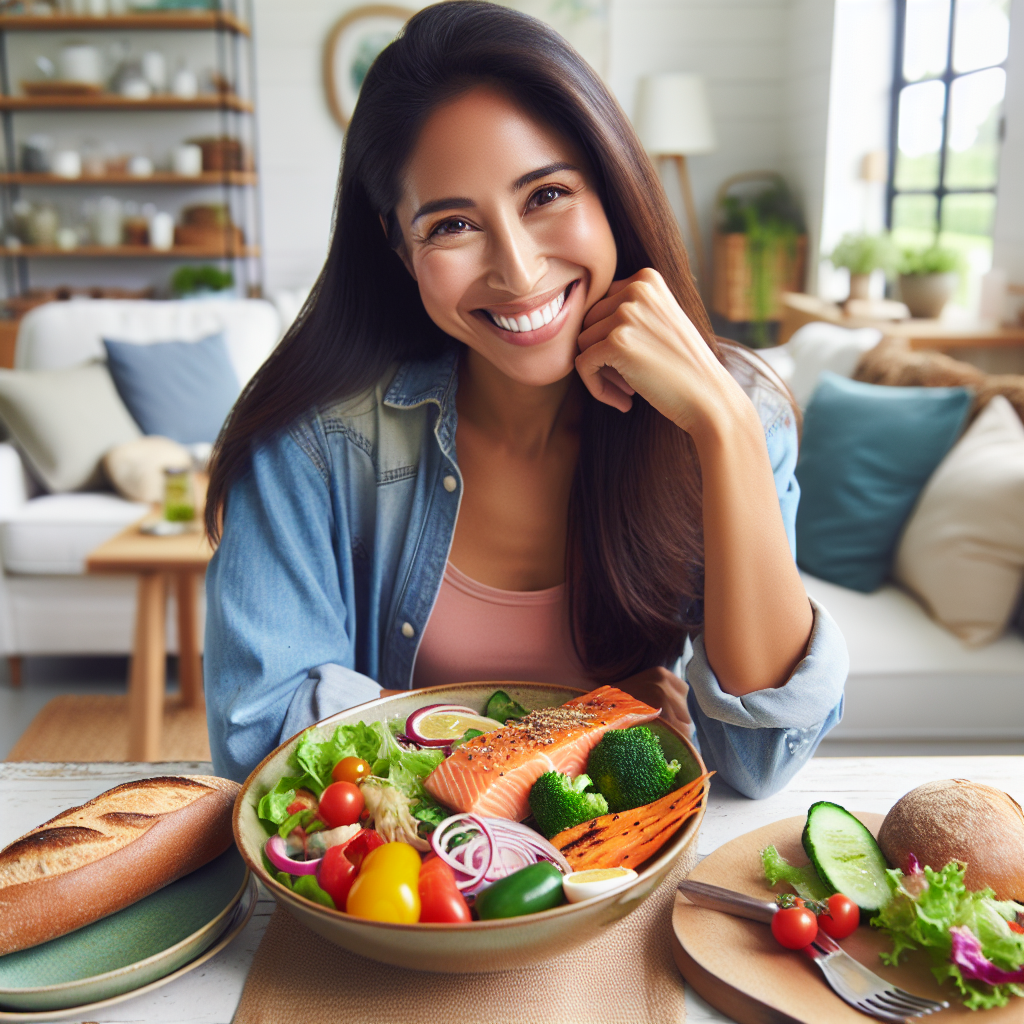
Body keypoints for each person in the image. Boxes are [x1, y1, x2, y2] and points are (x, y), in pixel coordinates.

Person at [204, 1, 848, 798]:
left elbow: (757, 762)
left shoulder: (735, 413)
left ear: (609, 186)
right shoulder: (310, 443)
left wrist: (725, 427)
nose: (518, 271)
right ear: (400, 250)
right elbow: (258, 736)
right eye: (451, 226)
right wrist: (582, 728)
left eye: (546, 195)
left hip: (626, 886)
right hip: (399, 897)